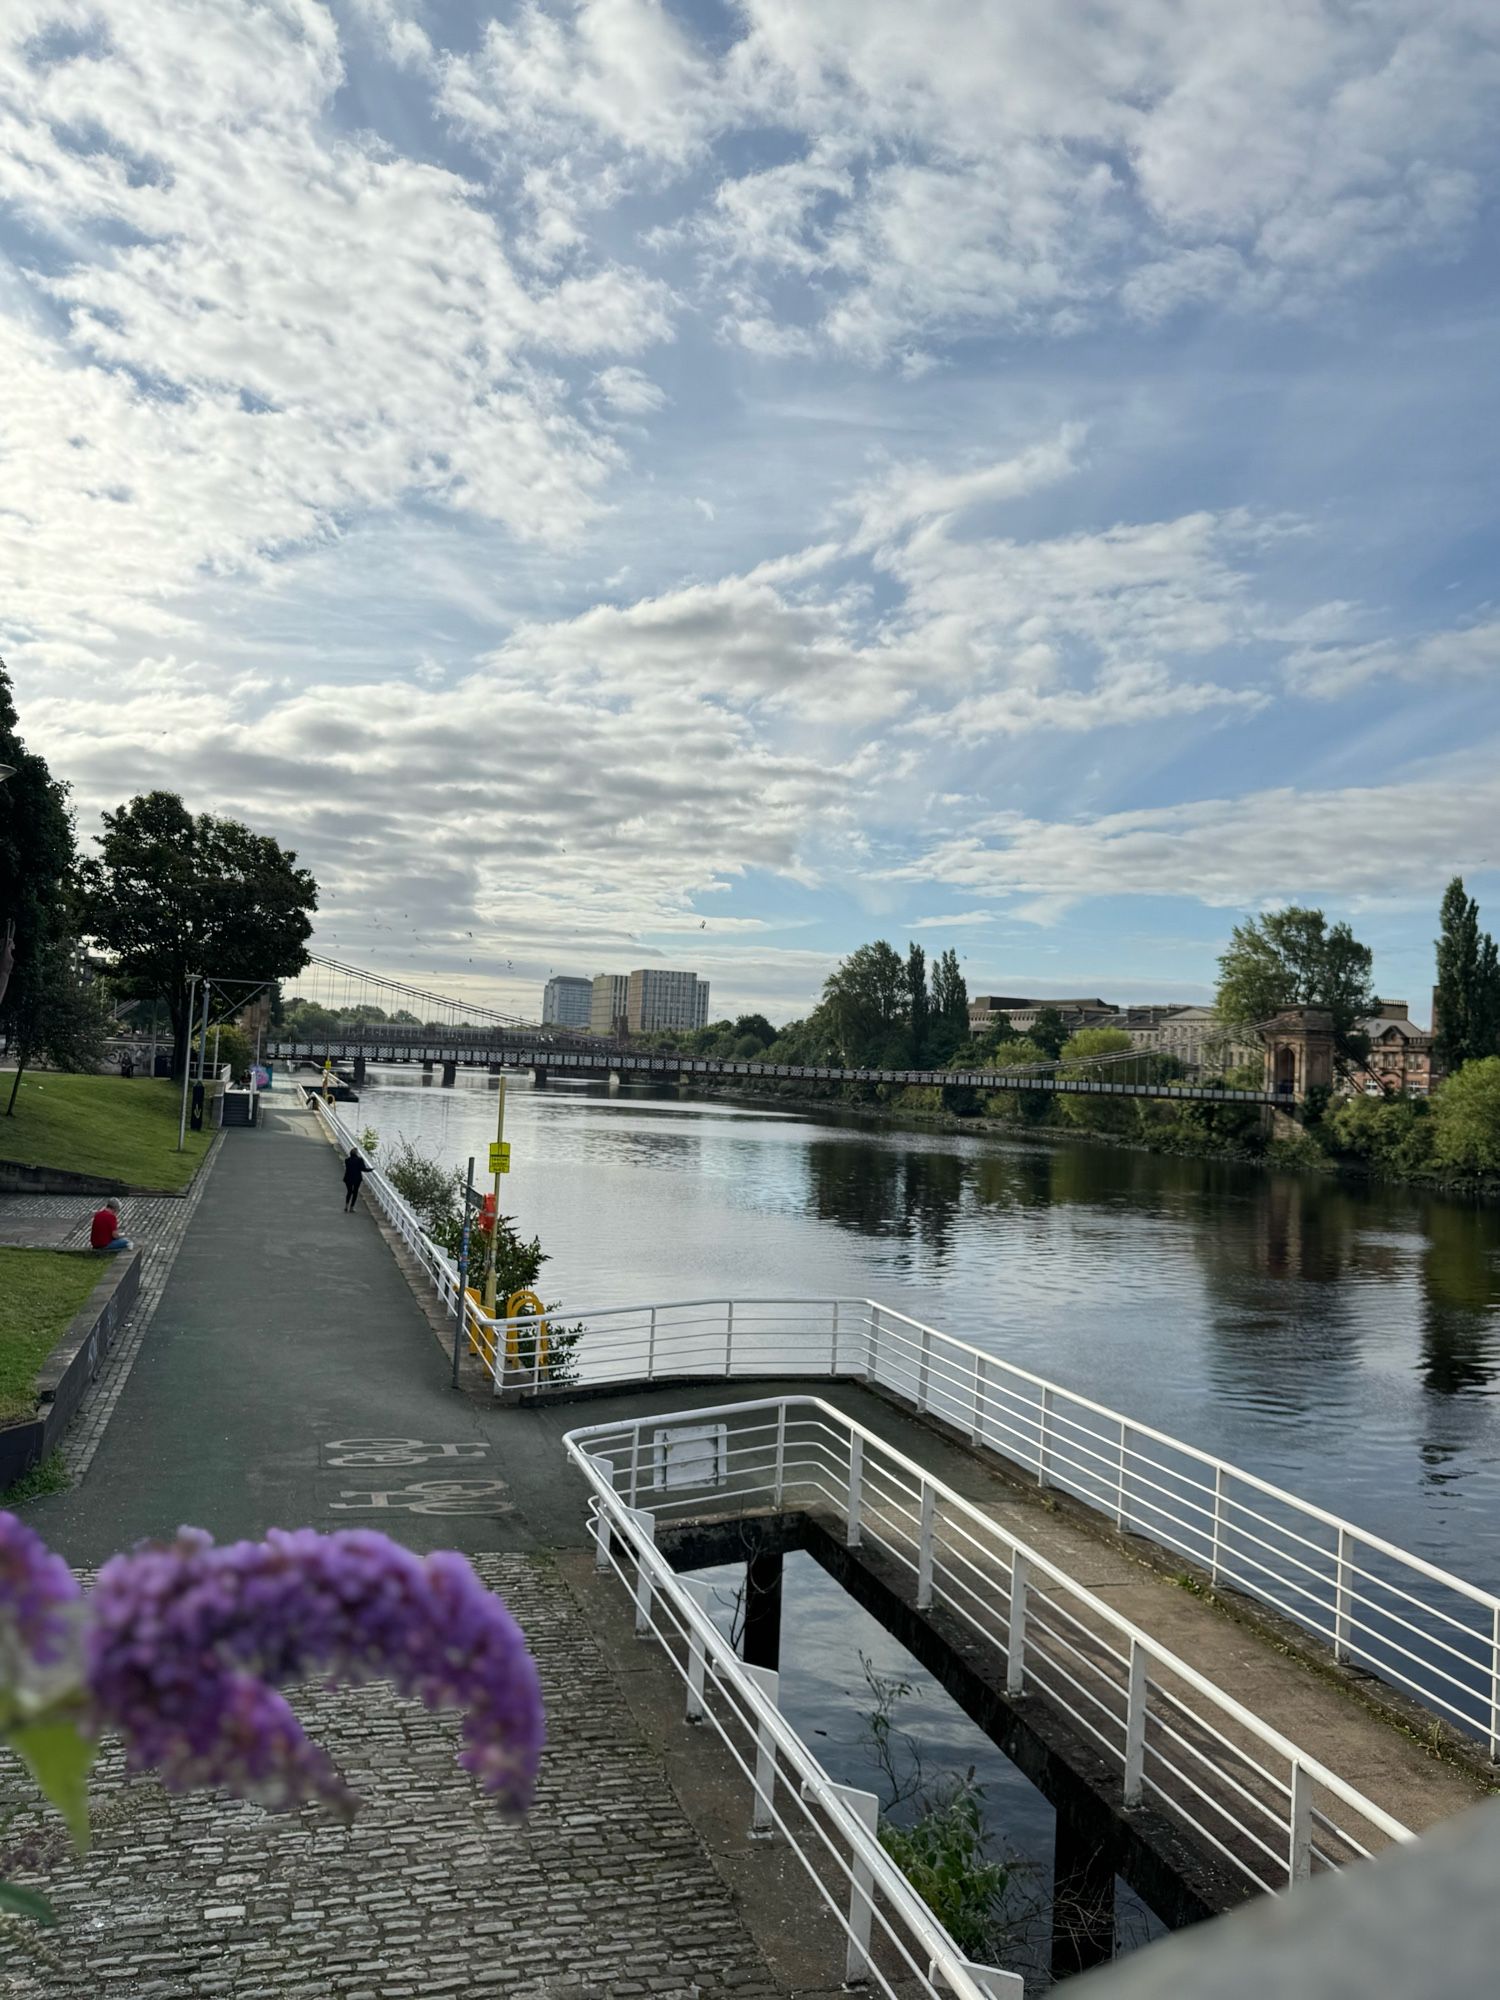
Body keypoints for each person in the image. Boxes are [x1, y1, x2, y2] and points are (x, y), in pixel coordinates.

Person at [342, 1147, 367, 1213]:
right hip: (357, 1178)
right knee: (355, 1192)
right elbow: (363, 1169)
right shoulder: (360, 1160)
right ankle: (351, 1207)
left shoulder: (347, 1160)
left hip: (348, 1178)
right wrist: (371, 1169)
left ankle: (346, 1206)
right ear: (356, 1153)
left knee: (349, 1192)